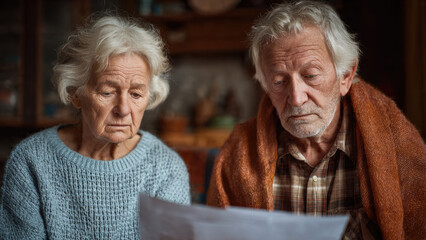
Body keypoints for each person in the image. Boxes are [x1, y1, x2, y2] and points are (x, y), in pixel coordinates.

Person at [206, 1, 426, 239]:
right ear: (265, 86)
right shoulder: (239, 153)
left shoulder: (395, 143)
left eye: (310, 75)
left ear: (345, 76)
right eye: (279, 81)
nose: (297, 99)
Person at [0, 14, 190, 239]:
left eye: (136, 94)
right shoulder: (31, 161)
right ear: (75, 93)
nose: (123, 109)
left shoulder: (165, 168)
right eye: (107, 92)